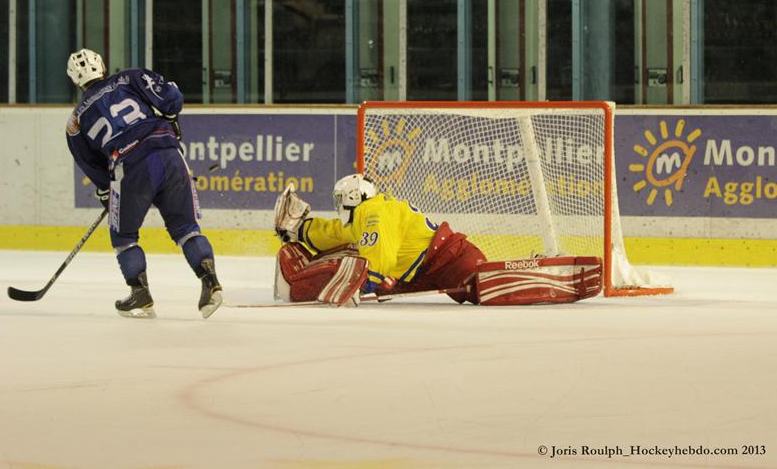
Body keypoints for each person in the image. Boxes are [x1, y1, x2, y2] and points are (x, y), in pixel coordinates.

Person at [273, 174, 604, 306]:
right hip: (431, 267)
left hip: (450, 261)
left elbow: (379, 255)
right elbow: (338, 233)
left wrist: (367, 283)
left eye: (339, 199)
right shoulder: (368, 212)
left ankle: (546, 274)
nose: (337, 206)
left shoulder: (373, 212)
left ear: (353, 197)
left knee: (485, 289)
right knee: (478, 290)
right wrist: (302, 228)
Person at [65, 48, 222, 319]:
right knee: (186, 228)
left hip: (130, 166)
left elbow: (91, 164)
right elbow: (171, 99)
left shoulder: (74, 122)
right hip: (169, 154)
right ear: (102, 66)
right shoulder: (129, 77)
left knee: (123, 237)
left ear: (74, 79)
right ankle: (210, 283)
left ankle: (140, 294)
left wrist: (106, 189)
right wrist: (171, 114)